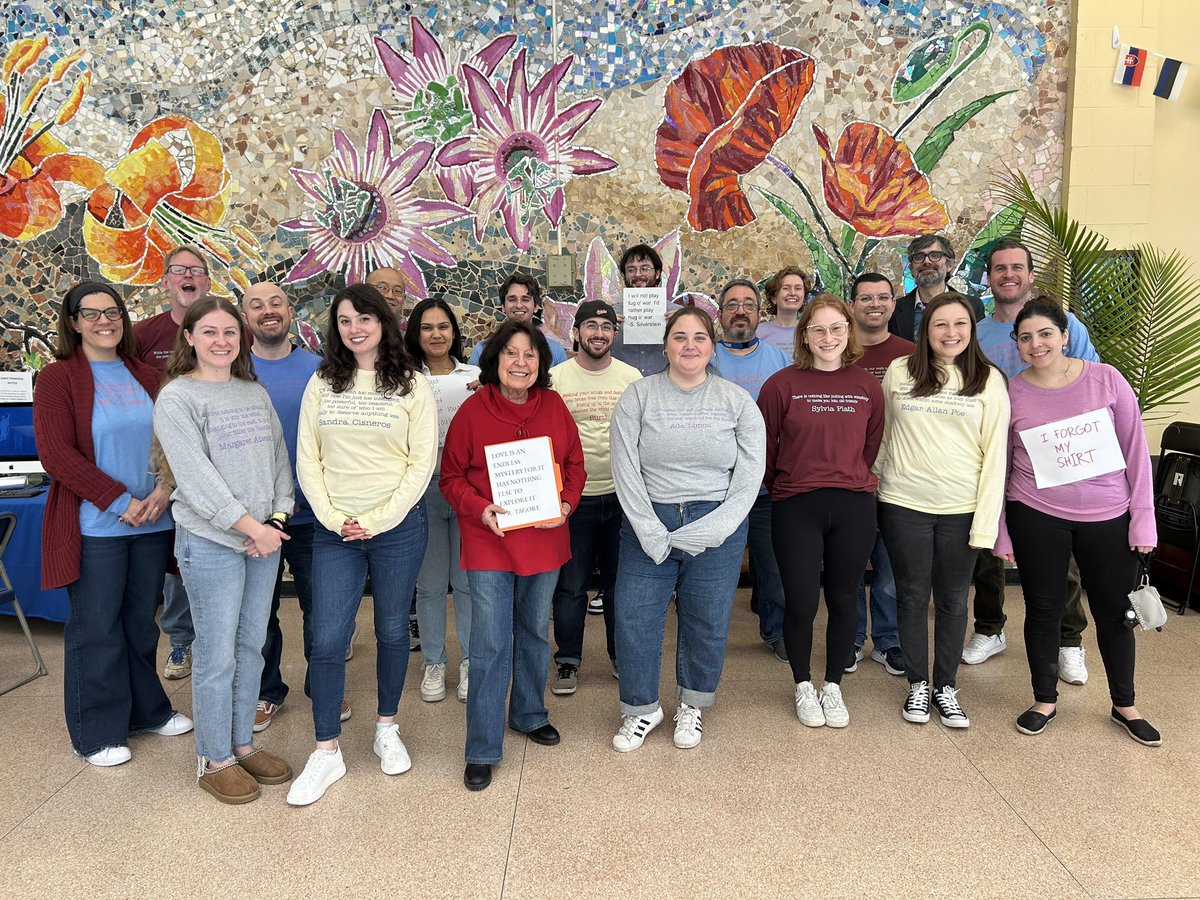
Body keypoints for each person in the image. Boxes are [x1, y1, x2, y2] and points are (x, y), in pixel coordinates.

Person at [33, 281, 194, 767]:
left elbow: (177, 441)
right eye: (92, 313)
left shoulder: (149, 375)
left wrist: (165, 490)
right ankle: (97, 732)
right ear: (74, 322)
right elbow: (56, 455)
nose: (105, 321)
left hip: (151, 523)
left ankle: (147, 711)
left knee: (140, 625)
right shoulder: (58, 378)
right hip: (97, 525)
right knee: (97, 628)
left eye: (113, 312)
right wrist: (120, 500)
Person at [287, 284, 436, 806]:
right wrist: (335, 518)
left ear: (384, 321)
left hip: (396, 528)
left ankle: (386, 728)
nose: (355, 328)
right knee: (327, 638)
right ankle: (326, 749)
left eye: (365, 318)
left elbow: (421, 463)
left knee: (394, 629)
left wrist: (377, 519)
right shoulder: (323, 382)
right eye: (345, 320)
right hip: (335, 531)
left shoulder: (413, 384)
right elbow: (308, 457)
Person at [993, 298, 1160, 745]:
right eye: (1025, 337)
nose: (1036, 343)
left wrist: (1143, 519)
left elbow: (1136, 452)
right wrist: (1001, 527)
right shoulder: (1012, 392)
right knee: (1043, 609)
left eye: (1045, 333)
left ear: (1065, 336)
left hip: (1109, 515)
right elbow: (1002, 467)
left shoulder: (1106, 380)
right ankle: (1043, 700)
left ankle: (1125, 704)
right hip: (1035, 514)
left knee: (1115, 612)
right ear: (1018, 345)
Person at [153, 296, 295, 803]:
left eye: (229, 333)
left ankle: (240, 742)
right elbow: (195, 478)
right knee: (215, 653)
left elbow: (279, 459)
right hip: (212, 541)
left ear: (242, 339)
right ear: (189, 337)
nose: (220, 341)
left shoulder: (252, 392)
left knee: (250, 644)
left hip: (263, 541)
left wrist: (275, 521)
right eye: (209, 332)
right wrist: (250, 528)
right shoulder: (177, 398)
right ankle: (213, 758)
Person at [609, 307, 764, 752]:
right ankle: (641, 709)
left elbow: (750, 475)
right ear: (665, 346)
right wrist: (650, 530)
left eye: (699, 337)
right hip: (647, 522)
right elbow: (625, 468)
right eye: (680, 337)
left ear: (712, 347)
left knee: (707, 619)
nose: (689, 345)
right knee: (635, 618)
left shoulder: (736, 401)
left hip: (717, 525)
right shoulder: (638, 396)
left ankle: (692, 705)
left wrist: (713, 529)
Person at [441, 318, 586, 792]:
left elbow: (574, 465)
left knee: (533, 632)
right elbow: (451, 478)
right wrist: (481, 509)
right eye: (511, 353)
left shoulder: (554, 404)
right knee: (489, 644)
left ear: (541, 363)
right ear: (495, 359)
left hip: (544, 537)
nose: (521, 363)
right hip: (490, 541)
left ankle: (528, 713)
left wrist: (566, 504)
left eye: (530, 355)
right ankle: (482, 746)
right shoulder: (472, 410)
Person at [965, 239, 1102, 683]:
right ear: (988, 277)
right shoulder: (977, 332)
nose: (1008, 275)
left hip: (1054, 456)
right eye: (999, 268)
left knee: (1059, 553)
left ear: (1029, 273)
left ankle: (1069, 641)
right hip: (990, 453)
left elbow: (1091, 383)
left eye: (1017, 267)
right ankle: (989, 628)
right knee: (986, 543)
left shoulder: (1066, 325)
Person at [875, 292, 1009, 729]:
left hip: (962, 508)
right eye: (940, 325)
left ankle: (945, 686)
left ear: (971, 330)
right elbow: (883, 435)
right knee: (911, 596)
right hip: (903, 502)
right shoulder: (899, 371)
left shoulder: (989, 380)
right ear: (925, 331)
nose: (950, 334)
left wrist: (987, 525)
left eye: (960, 325)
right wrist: (869, 488)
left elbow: (996, 458)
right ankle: (918, 683)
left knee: (953, 600)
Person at [758, 295, 883, 728]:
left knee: (846, 597)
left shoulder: (866, 385)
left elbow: (870, 446)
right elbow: (764, 447)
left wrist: (847, 477)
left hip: (853, 504)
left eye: (836, 328)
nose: (828, 337)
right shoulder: (781, 384)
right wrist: (787, 485)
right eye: (818, 329)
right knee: (802, 602)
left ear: (848, 332)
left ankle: (833, 685)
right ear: (804, 336)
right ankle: (802, 684)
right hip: (796, 504)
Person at [240, 281, 334, 733]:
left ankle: (324, 689)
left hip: (315, 514)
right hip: (256, 518)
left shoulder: (321, 371)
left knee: (323, 609)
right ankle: (266, 690)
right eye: (256, 306)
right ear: (246, 318)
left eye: (275, 302)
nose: (268, 311)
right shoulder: (235, 371)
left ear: (290, 310)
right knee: (260, 611)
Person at [548, 300, 642, 694]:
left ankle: (621, 655)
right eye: (591, 326)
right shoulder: (554, 378)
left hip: (622, 499)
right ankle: (568, 660)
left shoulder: (631, 377)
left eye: (606, 326)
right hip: (573, 500)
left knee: (621, 587)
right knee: (571, 587)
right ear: (576, 332)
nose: (598, 333)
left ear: (614, 334)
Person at [135, 245, 211, 680]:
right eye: (179, 271)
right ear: (166, 280)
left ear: (206, 281)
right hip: (161, 464)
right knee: (173, 558)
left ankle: (213, 638)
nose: (188, 277)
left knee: (202, 552)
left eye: (196, 271)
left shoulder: (223, 328)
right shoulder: (143, 336)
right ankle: (181, 642)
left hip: (211, 460)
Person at [404, 298, 479, 704]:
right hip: (423, 490)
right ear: (416, 334)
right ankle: (434, 661)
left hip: (468, 490)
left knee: (467, 583)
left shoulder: (477, 376)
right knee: (430, 585)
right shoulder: (400, 379)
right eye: (428, 327)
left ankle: (468, 660)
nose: (436, 334)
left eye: (443, 326)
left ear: (454, 332)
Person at [711, 278, 790, 662]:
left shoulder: (779, 359)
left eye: (748, 304)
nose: (740, 310)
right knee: (712, 572)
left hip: (766, 486)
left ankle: (776, 631)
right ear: (720, 314)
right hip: (717, 488)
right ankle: (707, 637)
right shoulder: (705, 357)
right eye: (731, 304)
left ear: (760, 314)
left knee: (773, 564)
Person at [846, 273, 910, 676]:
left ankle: (888, 641)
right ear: (852, 304)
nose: (875, 303)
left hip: (896, 478)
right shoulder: (838, 350)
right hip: (847, 477)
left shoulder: (912, 354)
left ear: (893, 304)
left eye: (883, 297)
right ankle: (851, 639)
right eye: (866, 297)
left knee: (890, 570)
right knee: (849, 566)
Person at [889, 235, 985, 342]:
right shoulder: (894, 310)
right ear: (911, 269)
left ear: (949, 265)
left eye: (935, 255)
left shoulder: (973, 306)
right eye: (919, 257)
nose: (926, 261)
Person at [468, 272, 567, 367]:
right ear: (503, 306)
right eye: (512, 299)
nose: (519, 305)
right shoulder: (481, 350)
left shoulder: (555, 351)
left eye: (525, 299)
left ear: (536, 306)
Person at [612, 243, 672, 376]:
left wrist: (684, 324)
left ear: (657, 274)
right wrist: (605, 329)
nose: (638, 275)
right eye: (631, 270)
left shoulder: (678, 313)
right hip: (623, 387)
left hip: (665, 388)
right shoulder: (610, 313)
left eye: (644, 269)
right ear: (625, 276)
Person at [756, 265, 809, 352]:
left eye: (798, 288)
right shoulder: (758, 333)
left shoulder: (810, 333)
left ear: (804, 297)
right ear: (774, 298)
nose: (792, 293)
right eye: (786, 288)